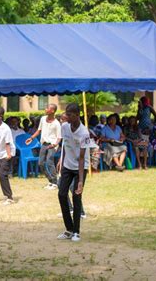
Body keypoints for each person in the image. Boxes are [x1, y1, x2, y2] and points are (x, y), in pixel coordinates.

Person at [56, 103, 90, 242]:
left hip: (80, 168)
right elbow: (65, 145)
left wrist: (80, 181)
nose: (66, 116)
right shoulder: (64, 127)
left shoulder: (84, 133)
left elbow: (82, 158)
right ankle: (69, 229)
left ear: (77, 115)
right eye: (66, 113)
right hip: (67, 166)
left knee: (76, 198)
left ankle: (76, 231)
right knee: (61, 194)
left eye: (69, 114)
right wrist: (61, 160)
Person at [26, 104, 62, 190]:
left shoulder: (57, 123)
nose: (45, 109)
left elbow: (59, 137)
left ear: (52, 111)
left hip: (52, 144)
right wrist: (31, 138)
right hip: (44, 144)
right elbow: (39, 130)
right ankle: (51, 181)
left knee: (49, 161)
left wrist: (55, 144)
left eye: (47, 108)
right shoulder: (42, 119)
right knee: (40, 163)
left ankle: (55, 183)